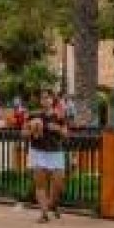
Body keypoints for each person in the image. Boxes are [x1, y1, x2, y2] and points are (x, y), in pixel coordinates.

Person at [27, 92, 70, 221]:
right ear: (40, 101)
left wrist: (57, 128)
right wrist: (32, 130)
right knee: (40, 184)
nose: (45, 100)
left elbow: (66, 134)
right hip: (38, 151)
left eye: (47, 97)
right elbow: (23, 132)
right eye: (43, 97)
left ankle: (53, 204)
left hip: (56, 152)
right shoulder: (34, 115)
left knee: (58, 184)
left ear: (52, 100)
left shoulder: (59, 115)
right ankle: (44, 213)